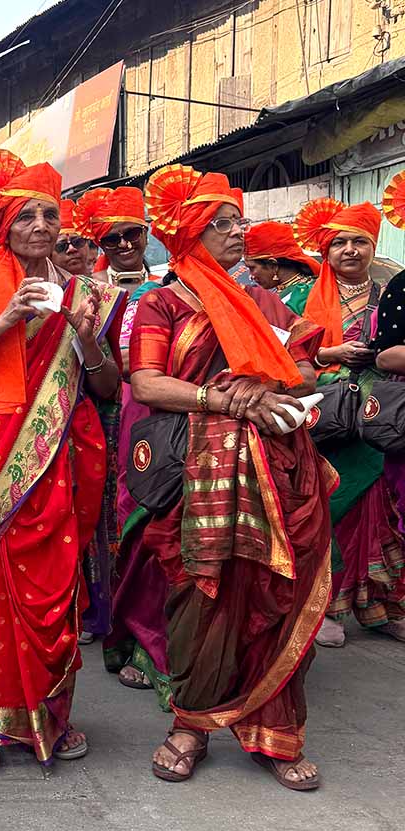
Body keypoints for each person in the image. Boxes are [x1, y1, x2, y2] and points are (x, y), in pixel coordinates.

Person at [131, 165, 330, 790]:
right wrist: (226, 400)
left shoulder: (263, 300)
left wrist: (272, 382)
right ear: (190, 233)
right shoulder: (161, 302)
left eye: (238, 221)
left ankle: (276, 730)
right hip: (201, 471)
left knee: (277, 592)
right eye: (221, 225)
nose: (237, 232)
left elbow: (307, 367)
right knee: (201, 591)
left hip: (278, 464)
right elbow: (146, 383)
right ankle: (190, 724)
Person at [0, 149, 123, 768]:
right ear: (4, 229)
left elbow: (106, 387)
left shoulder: (87, 295)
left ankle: (43, 712)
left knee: (54, 584)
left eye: (48, 215)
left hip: (60, 455)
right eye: (25, 217)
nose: (40, 226)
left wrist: (87, 338)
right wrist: (6, 320)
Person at [288, 198, 405, 647]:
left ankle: (381, 606)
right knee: (327, 511)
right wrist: (327, 355)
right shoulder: (298, 297)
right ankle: (328, 609)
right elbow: (280, 353)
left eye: (360, 241)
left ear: (374, 246)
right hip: (321, 414)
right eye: (340, 242)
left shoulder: (390, 290)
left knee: (382, 514)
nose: (351, 250)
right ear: (325, 250)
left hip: (381, 416)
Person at [76, 186, 170, 700]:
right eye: (110, 239)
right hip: (108, 417)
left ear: (147, 233)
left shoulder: (170, 285)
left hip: (164, 420)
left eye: (131, 234)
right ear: (100, 245)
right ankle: (120, 631)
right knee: (109, 523)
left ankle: (151, 635)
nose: (123, 244)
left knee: (154, 525)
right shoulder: (90, 293)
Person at [243, 221, 320, 308]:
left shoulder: (305, 296)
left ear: (273, 265)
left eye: (252, 268)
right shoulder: (285, 292)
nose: (251, 276)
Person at [51, 198, 92, 276]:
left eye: (78, 242)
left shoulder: (107, 281)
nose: (71, 249)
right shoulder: (46, 287)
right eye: (61, 246)